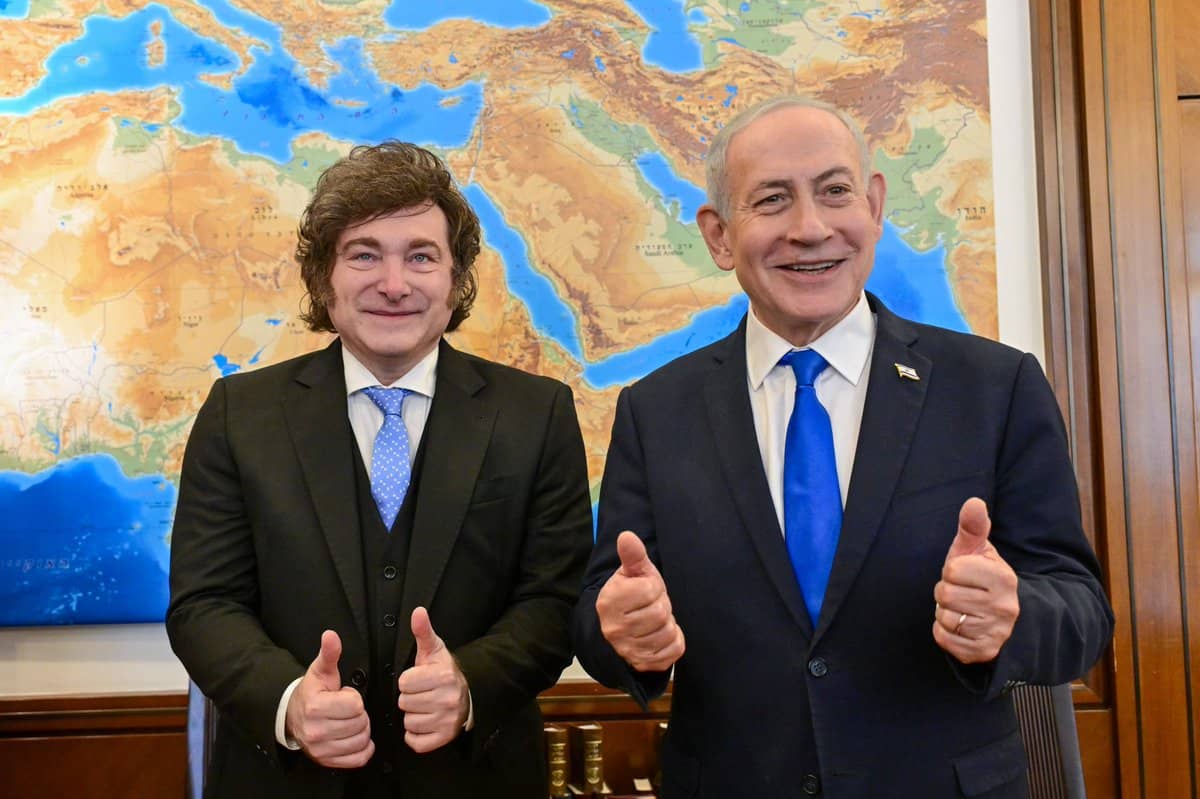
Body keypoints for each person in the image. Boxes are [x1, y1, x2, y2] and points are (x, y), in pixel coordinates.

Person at [572, 96, 1114, 798]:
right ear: (720, 236)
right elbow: (602, 612)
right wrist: (623, 633)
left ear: (875, 206)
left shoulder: (995, 387)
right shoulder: (655, 410)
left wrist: (1011, 618)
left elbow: (1081, 609)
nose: (810, 228)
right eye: (773, 199)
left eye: (835, 191)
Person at [167, 141, 594, 798]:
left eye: (421, 256)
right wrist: (288, 701)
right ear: (323, 279)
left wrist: (469, 685)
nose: (394, 284)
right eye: (364, 254)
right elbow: (204, 603)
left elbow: (556, 599)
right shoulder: (237, 414)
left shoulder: (537, 414)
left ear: (456, 280)